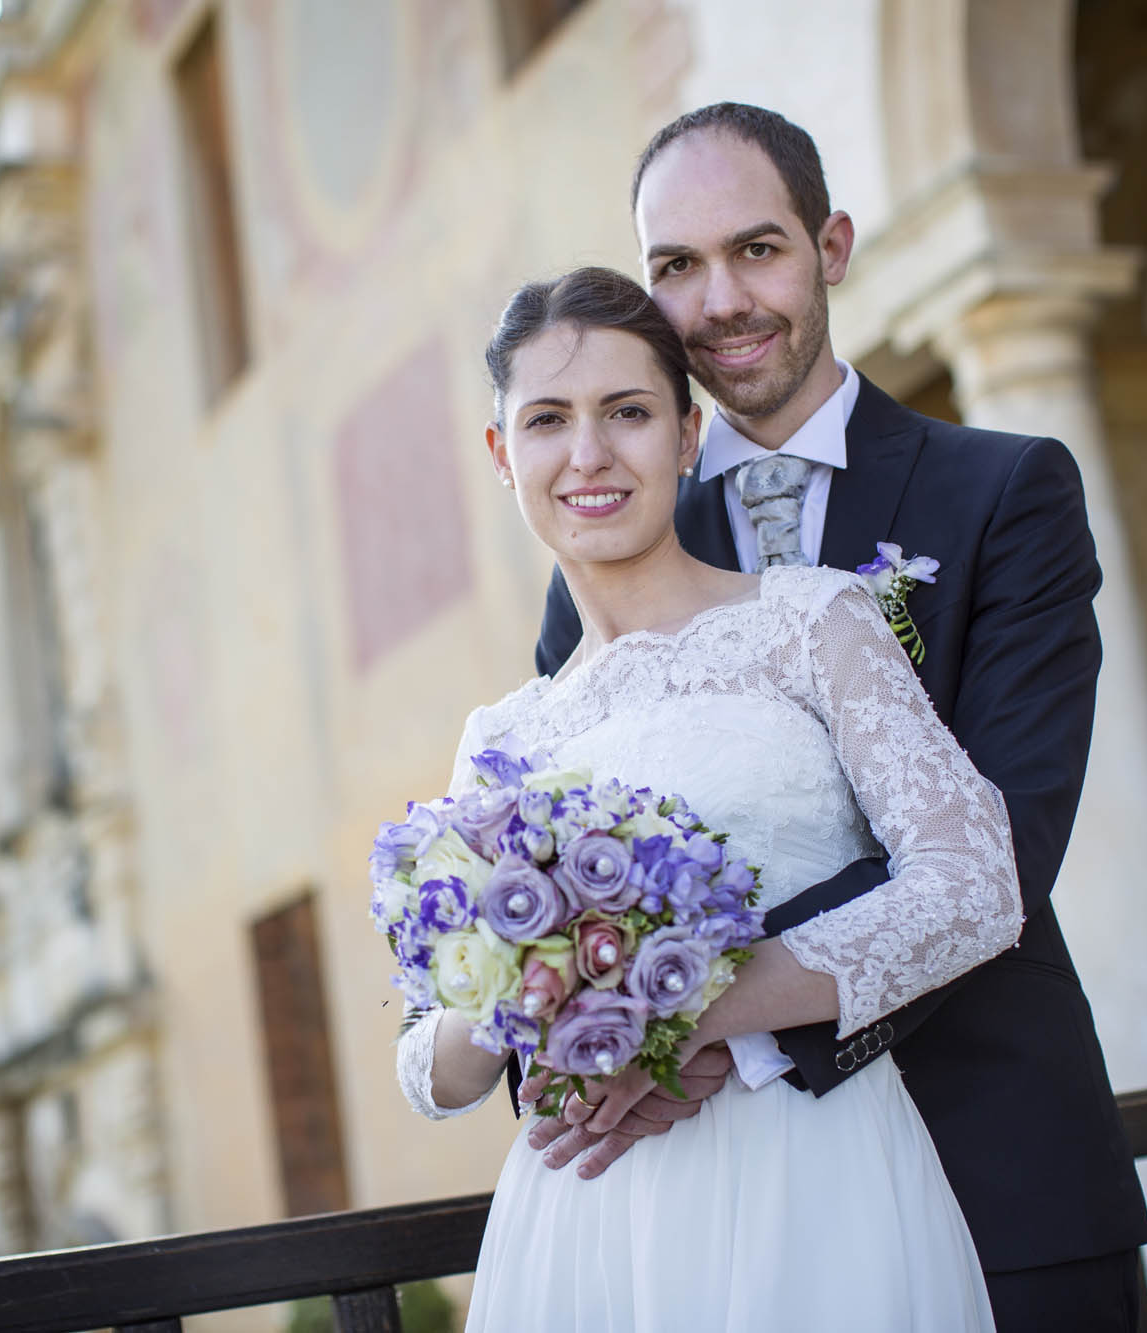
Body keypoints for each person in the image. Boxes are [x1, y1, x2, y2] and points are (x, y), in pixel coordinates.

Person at [525, 104, 1147, 1329]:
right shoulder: (599, 561)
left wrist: (697, 1013)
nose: (717, 301)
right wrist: (590, 1032)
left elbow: (1002, 848)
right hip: (726, 1208)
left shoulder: (1003, 493)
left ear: (832, 248)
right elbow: (562, 866)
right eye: (675, 267)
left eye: (755, 249)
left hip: (993, 1158)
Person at [395, 265, 1017, 1329]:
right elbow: (431, 1063)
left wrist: (677, 1008)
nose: (586, 454)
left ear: (687, 437)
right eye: (546, 420)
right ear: (503, 457)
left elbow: (974, 888)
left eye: (626, 412)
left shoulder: (811, 624)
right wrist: (534, 985)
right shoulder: (500, 739)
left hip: (808, 1173)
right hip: (587, 1217)